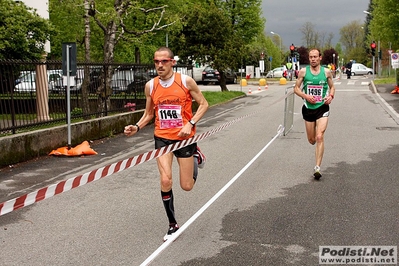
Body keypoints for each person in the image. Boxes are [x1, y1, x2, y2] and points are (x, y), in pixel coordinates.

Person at [124, 47, 209, 241]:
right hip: (162, 138)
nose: (159, 65)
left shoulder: (185, 81)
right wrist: (136, 127)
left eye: (163, 61)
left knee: (186, 186)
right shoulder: (151, 86)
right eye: (156, 62)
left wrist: (191, 123)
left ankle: (196, 155)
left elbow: (204, 104)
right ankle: (172, 225)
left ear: (172, 62)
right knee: (165, 180)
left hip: (185, 139)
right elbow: (149, 114)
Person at [293, 48, 335, 180]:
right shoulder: (303, 72)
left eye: (315, 57)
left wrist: (331, 96)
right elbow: (296, 89)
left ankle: (317, 167)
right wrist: (306, 96)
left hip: (322, 107)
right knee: (311, 140)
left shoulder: (326, 72)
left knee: (319, 136)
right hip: (308, 108)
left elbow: (332, 87)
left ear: (320, 58)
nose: (313, 59)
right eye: (311, 57)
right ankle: (314, 139)